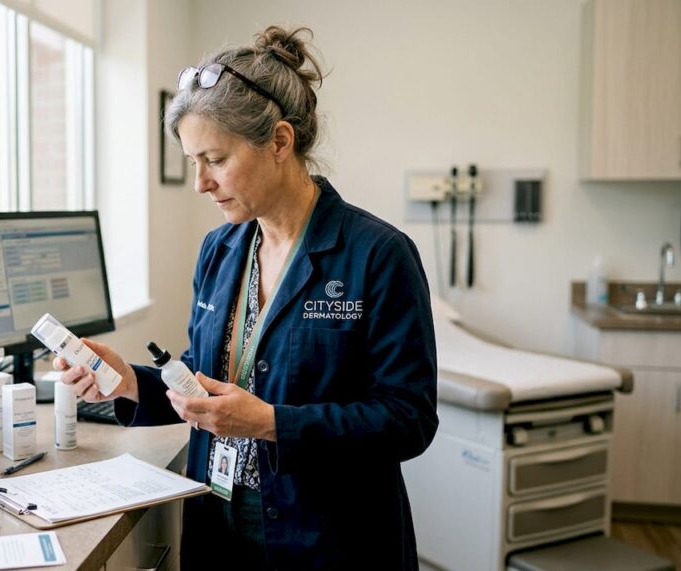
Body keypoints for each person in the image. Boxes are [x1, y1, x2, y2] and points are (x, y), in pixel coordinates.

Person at [55, 25, 437, 569]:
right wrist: (131, 381)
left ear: (280, 142)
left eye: (214, 159)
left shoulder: (377, 255)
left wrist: (271, 423)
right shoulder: (221, 249)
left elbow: (409, 418)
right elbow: (206, 382)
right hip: (221, 520)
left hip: (328, 537)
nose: (200, 184)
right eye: (192, 161)